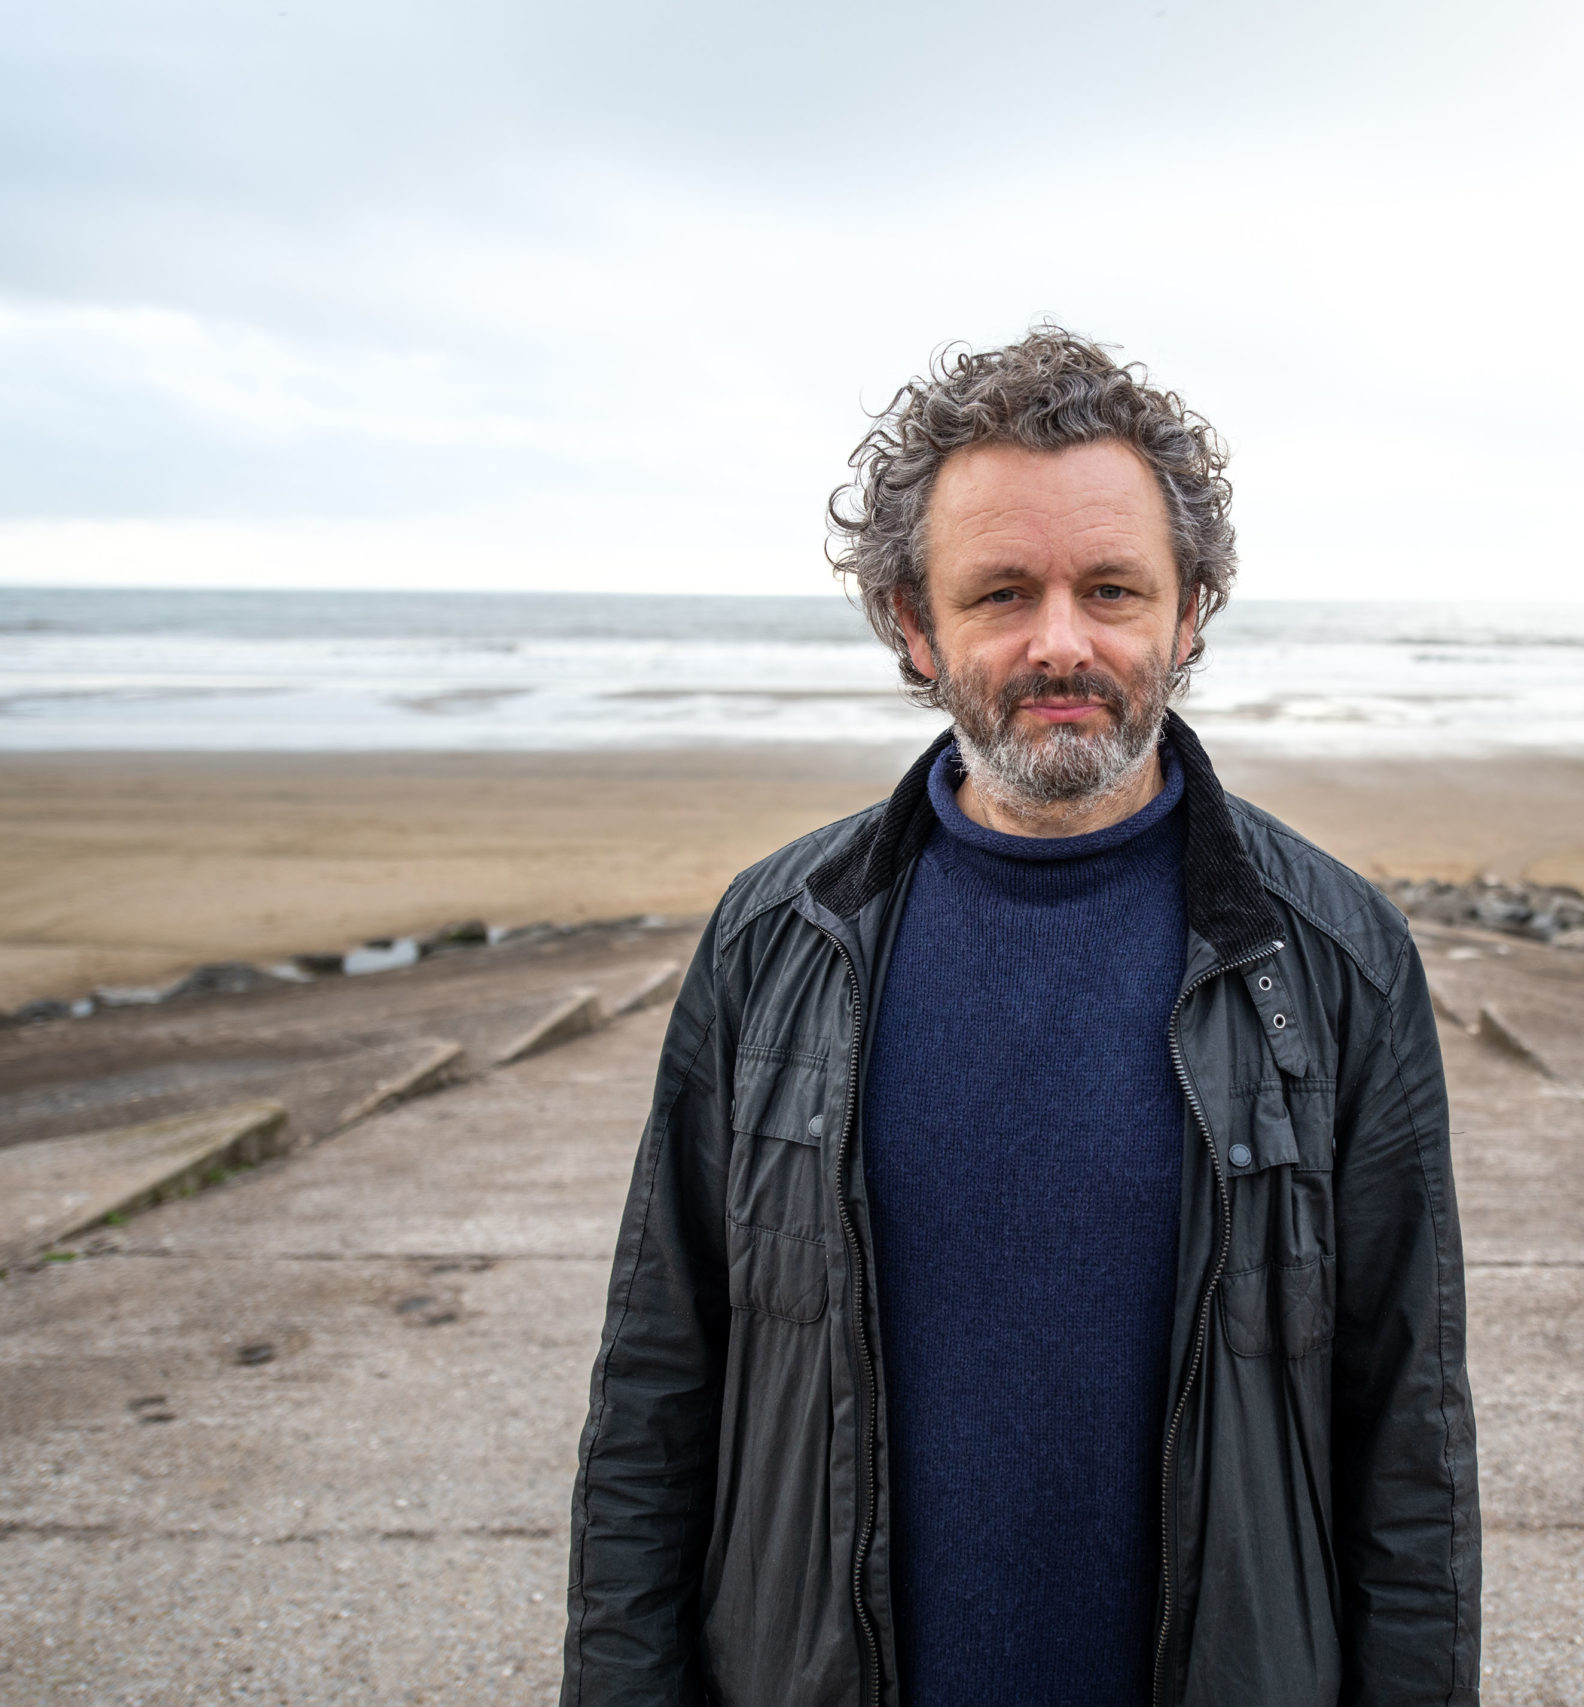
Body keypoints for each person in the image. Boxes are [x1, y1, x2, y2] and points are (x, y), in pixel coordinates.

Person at [564, 326, 1479, 1707]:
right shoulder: (773, 943)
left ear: (1188, 616)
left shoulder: (1334, 957)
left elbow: (1406, 1433)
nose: (1062, 642)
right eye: (1002, 592)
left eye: (1111, 588)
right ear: (915, 626)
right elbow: (657, 1386)